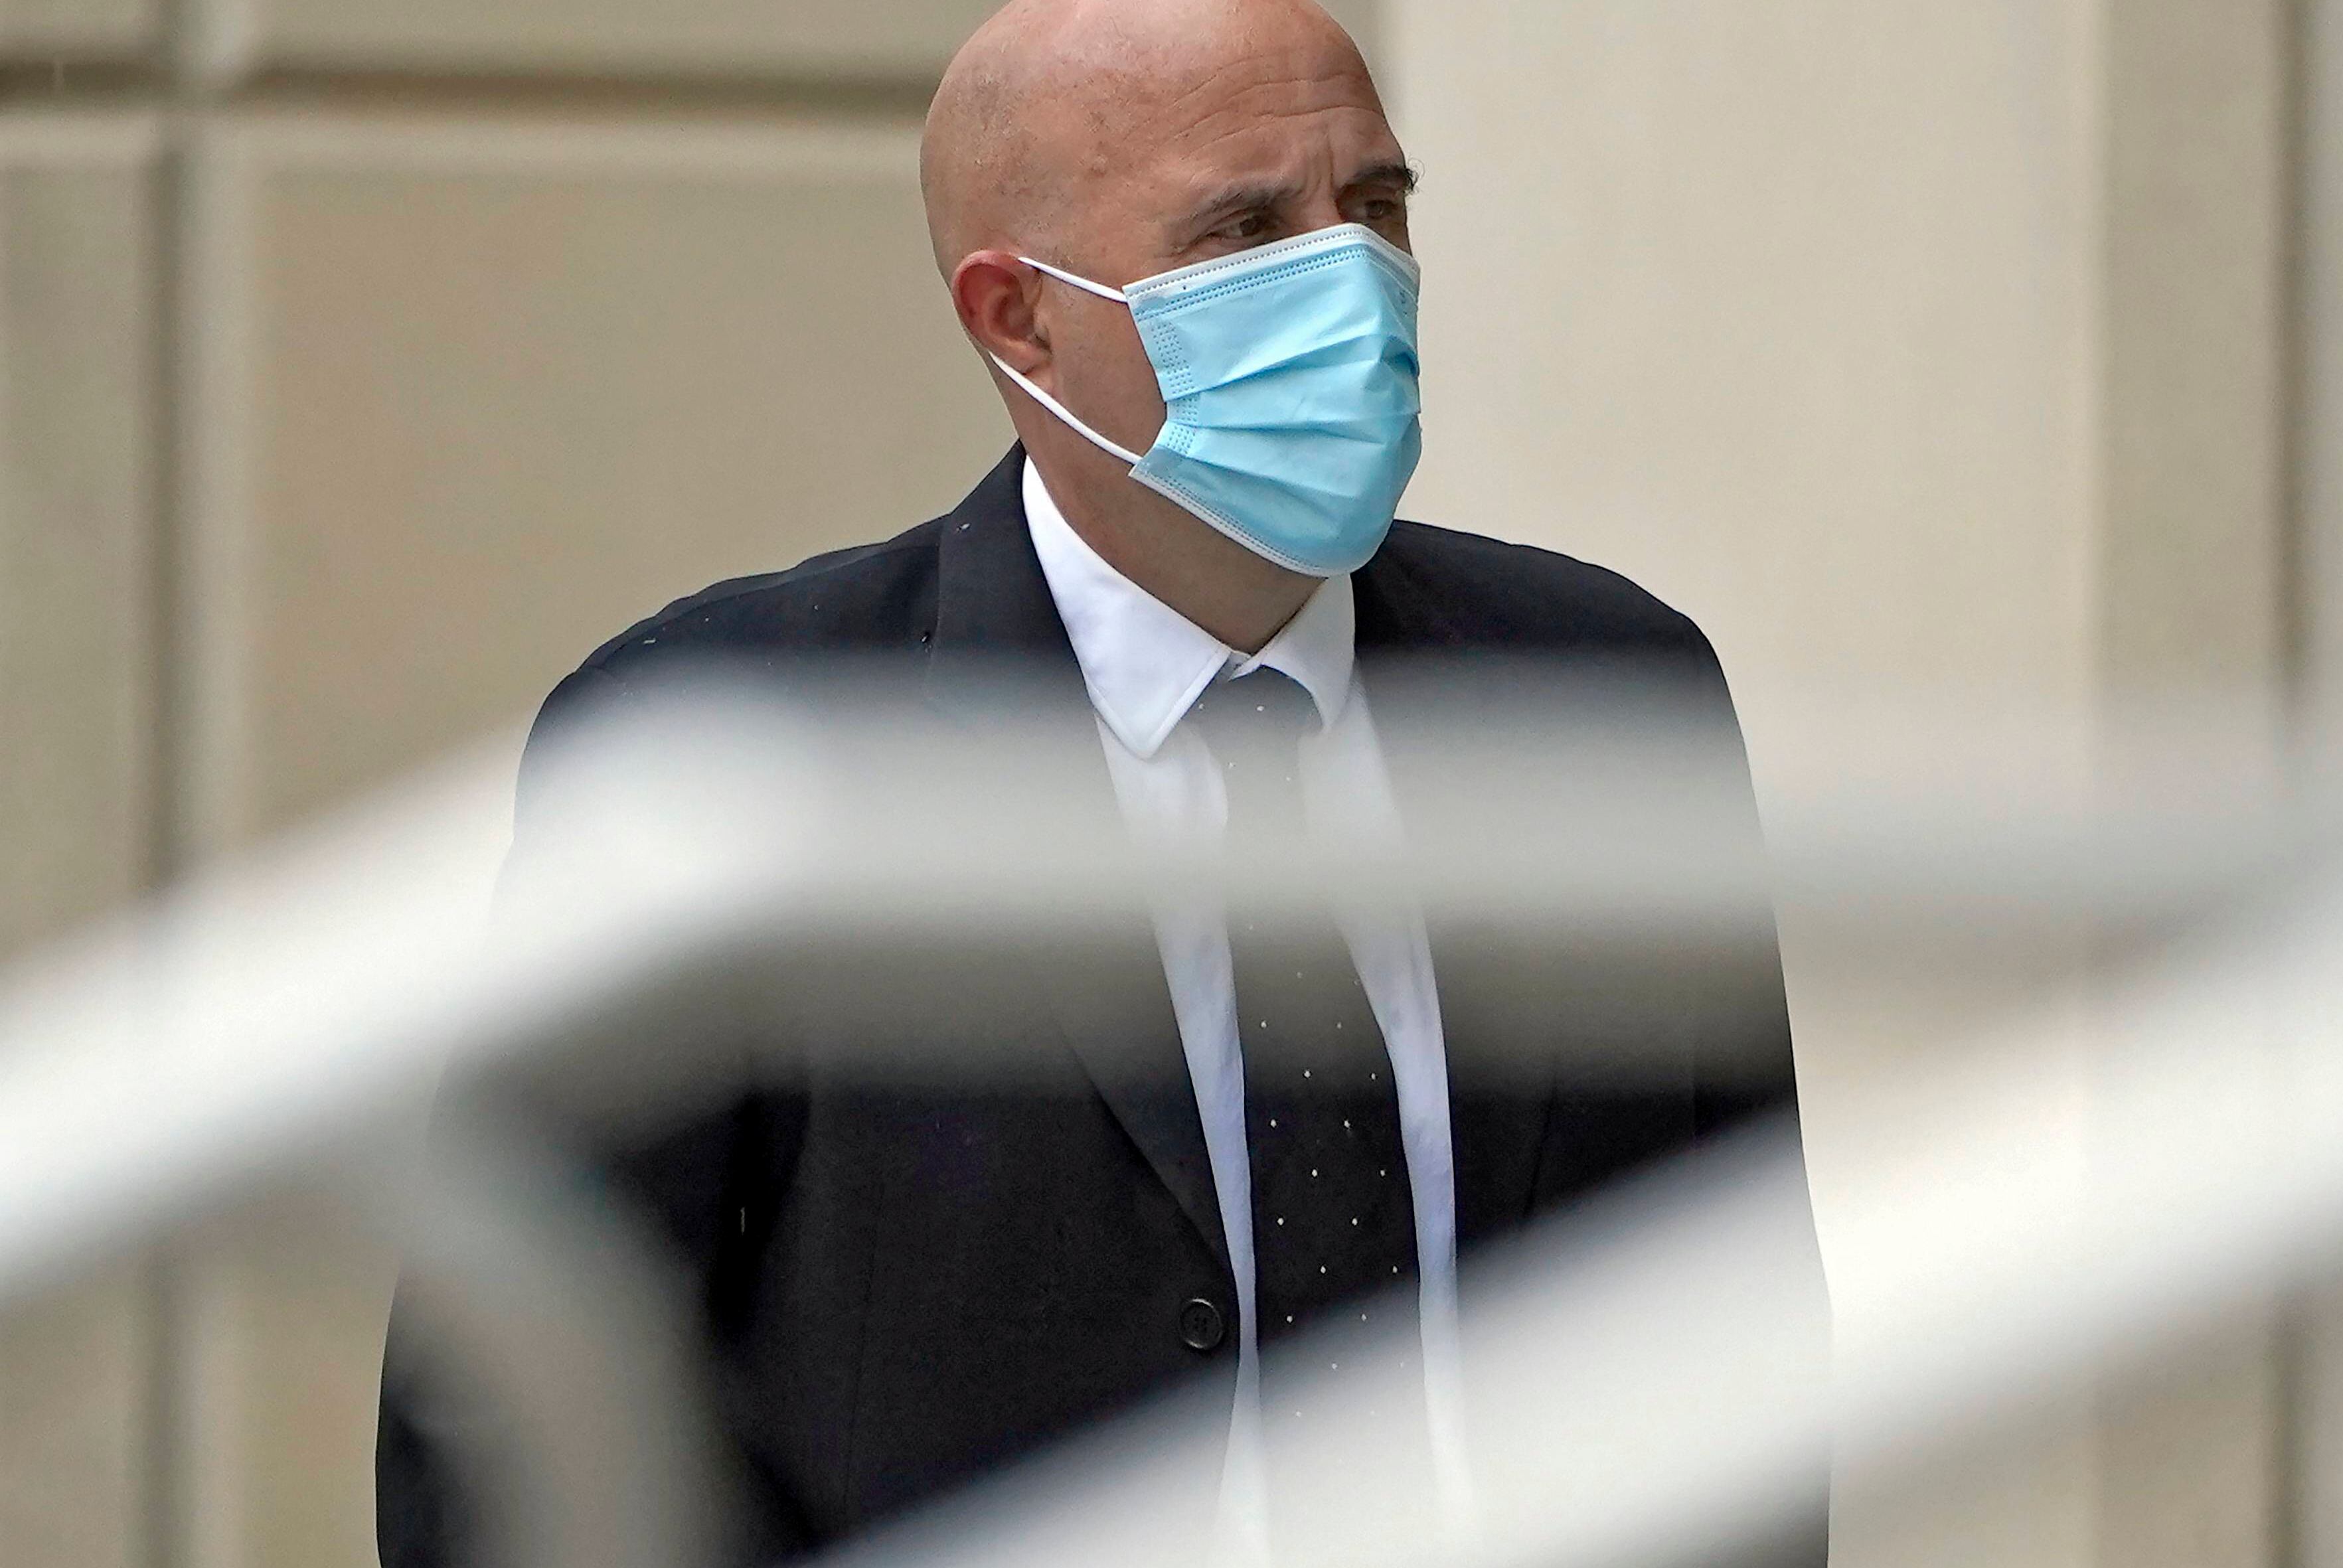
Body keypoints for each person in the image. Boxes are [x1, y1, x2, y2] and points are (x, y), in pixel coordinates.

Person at [376, 0, 1823, 1563]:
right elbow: (506, 1429)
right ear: (1018, 318)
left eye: (1377, 205)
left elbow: (1736, 1332)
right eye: (1246, 229)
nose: (1352, 277)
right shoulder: (738, 754)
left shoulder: (1606, 693)